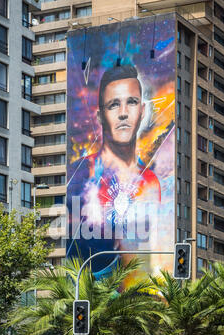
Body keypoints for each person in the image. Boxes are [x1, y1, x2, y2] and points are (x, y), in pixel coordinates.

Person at [67, 64, 161, 276]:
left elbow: (150, 253)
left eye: (132, 102)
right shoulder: (81, 172)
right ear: (100, 116)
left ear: (142, 110)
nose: (123, 114)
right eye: (113, 105)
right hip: (88, 288)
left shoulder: (151, 181)